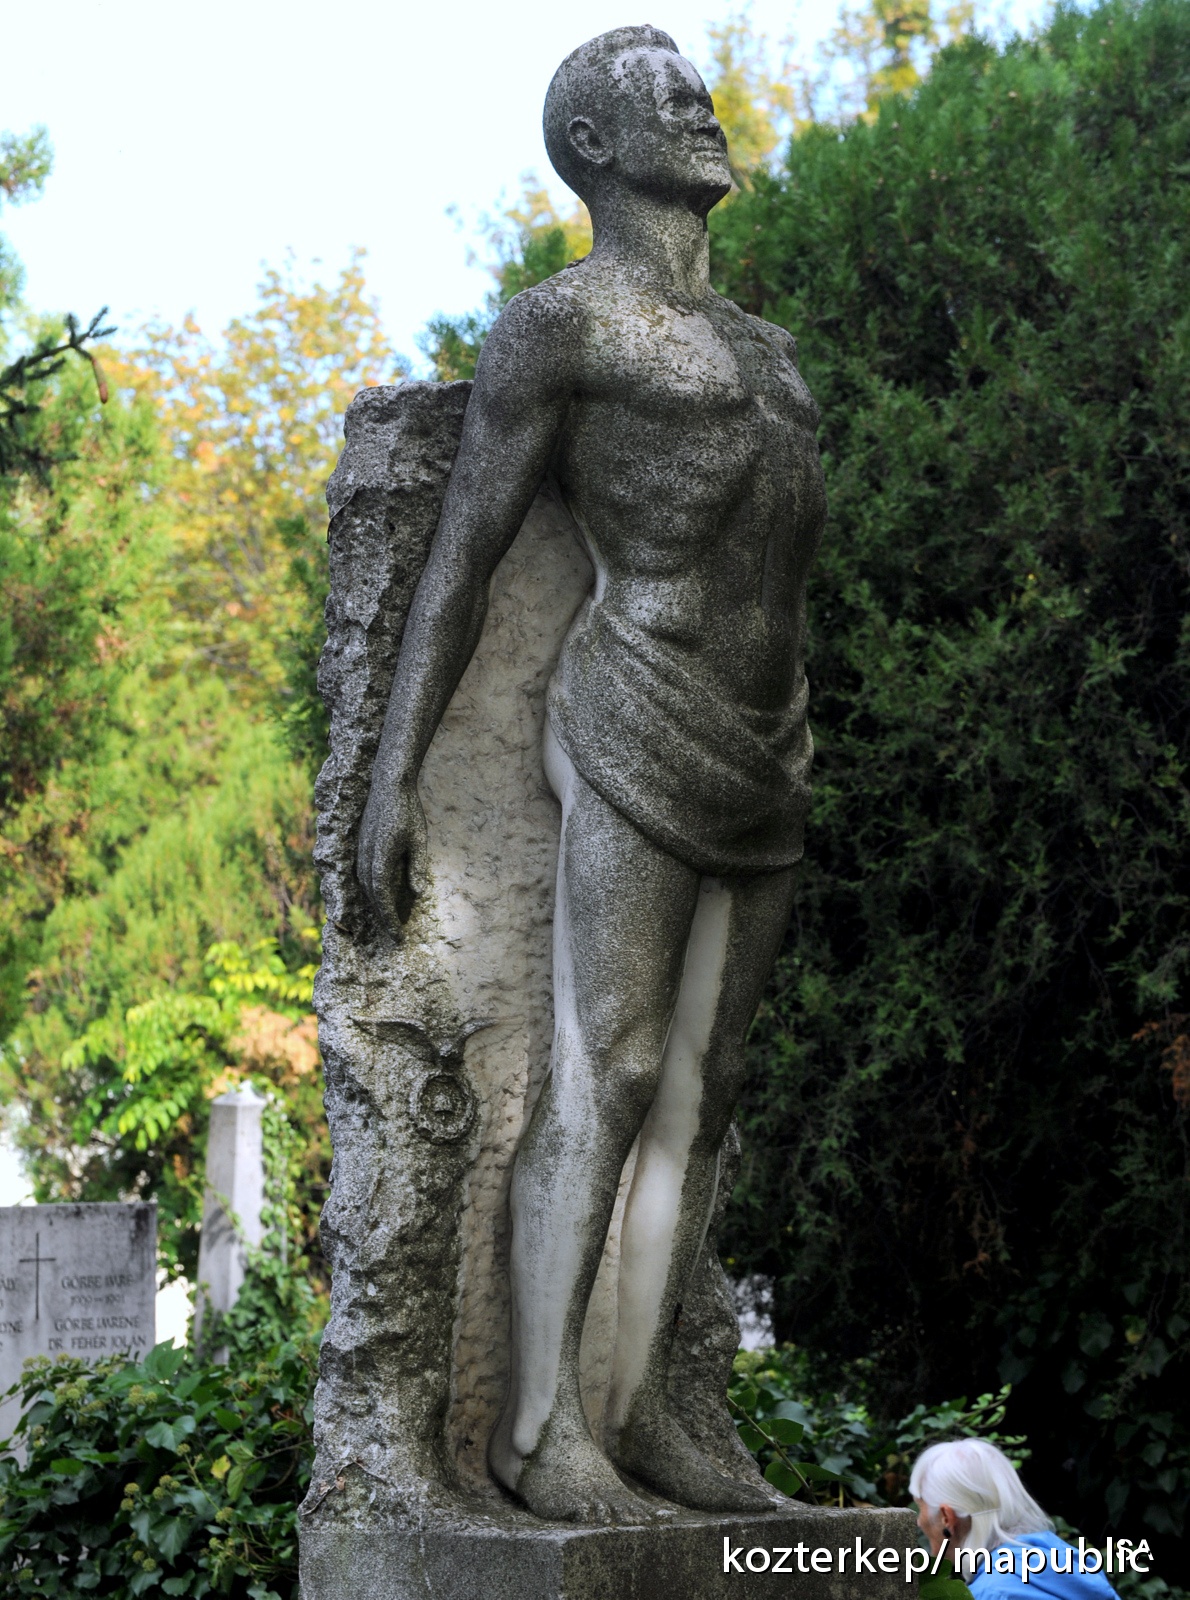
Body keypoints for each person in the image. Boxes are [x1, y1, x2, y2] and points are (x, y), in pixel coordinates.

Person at [356, 25, 826, 1524]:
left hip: (766, 737)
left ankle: (659, 1413)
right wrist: (391, 773)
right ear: (591, 145)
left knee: (706, 1088)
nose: (700, 106)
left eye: (697, 86)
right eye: (662, 95)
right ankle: (538, 1427)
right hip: (632, 708)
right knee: (607, 1064)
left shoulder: (767, 351)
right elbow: (463, 558)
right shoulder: (557, 328)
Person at [911, 1440, 1119, 1596]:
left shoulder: (991, 1593)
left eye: (920, 1508)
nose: (919, 1521)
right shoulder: (1070, 1561)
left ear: (947, 1517)